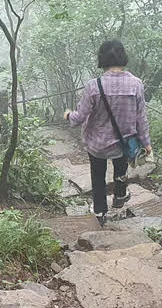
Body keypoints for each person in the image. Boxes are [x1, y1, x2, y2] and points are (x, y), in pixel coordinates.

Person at [63, 40, 152, 226]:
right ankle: (120, 196)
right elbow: (141, 117)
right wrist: (146, 142)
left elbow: (80, 117)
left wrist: (68, 115)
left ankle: (100, 212)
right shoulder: (136, 84)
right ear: (123, 57)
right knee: (121, 169)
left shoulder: (94, 86)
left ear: (102, 59)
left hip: (97, 143)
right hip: (123, 142)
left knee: (98, 175)